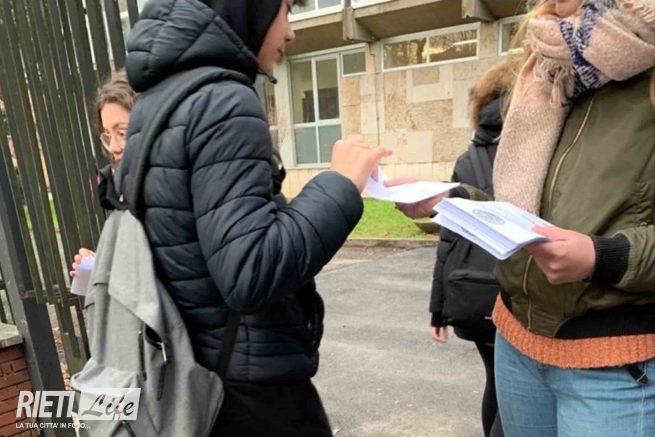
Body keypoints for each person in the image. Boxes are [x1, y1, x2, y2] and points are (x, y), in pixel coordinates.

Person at [117, 0, 390, 436]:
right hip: (250, 391)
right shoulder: (224, 101)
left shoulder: (161, 101)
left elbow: (213, 233)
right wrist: (340, 183)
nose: (290, 31)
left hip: (195, 369)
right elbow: (250, 270)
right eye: (285, 9)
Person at [391, 0, 655, 435]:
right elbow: (529, 206)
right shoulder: (545, 60)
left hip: (614, 363)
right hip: (516, 342)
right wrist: (452, 199)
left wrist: (604, 256)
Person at [431, 57, 518, 437]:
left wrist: (437, 308)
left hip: (472, 293)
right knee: (519, 391)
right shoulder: (536, 146)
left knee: (495, 382)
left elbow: (449, 236)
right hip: (517, 294)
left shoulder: (468, 158)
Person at [69, 71, 138, 277]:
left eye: (122, 133)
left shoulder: (170, 188)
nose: (114, 147)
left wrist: (106, 271)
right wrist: (100, 266)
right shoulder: (122, 190)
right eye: (108, 135)